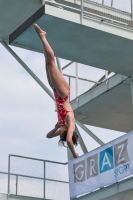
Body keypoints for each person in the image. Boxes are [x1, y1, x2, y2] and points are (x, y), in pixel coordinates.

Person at [34, 24, 79, 158]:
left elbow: (48, 136)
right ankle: (43, 36)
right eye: (62, 132)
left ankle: (42, 38)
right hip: (63, 94)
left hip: (55, 92)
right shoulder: (71, 124)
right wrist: (74, 154)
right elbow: (70, 140)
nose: (61, 130)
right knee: (51, 63)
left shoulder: (61, 128)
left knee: (47, 63)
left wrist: (55, 128)